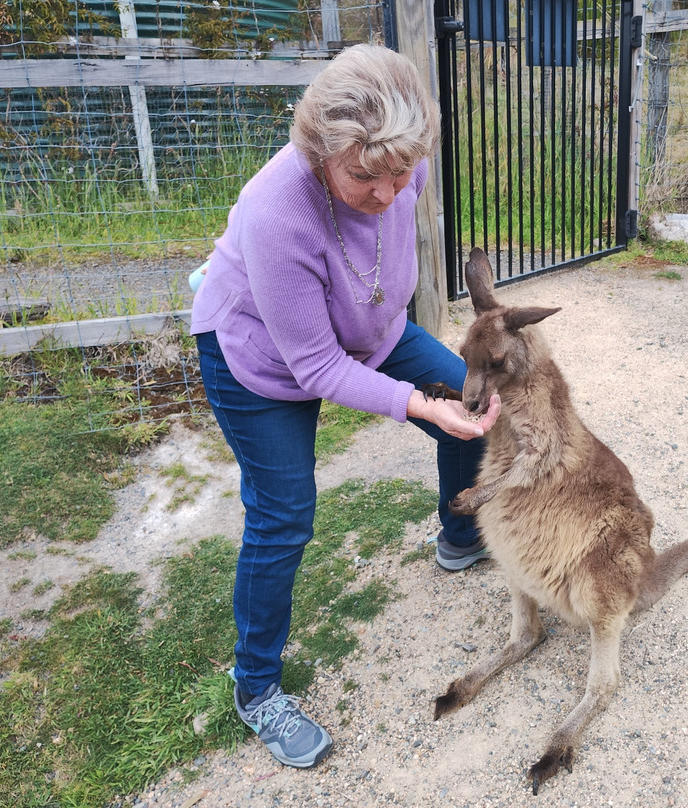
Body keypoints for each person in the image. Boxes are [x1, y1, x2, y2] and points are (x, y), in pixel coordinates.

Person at [189, 44, 501, 770]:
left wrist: (438, 398)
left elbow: (378, 273)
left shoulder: (399, 165)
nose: (389, 192)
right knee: (284, 512)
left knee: (467, 395)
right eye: (365, 175)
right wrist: (416, 406)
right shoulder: (277, 212)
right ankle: (255, 685)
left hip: (367, 327)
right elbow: (317, 366)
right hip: (260, 361)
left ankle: (457, 538)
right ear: (318, 148)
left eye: (401, 174)